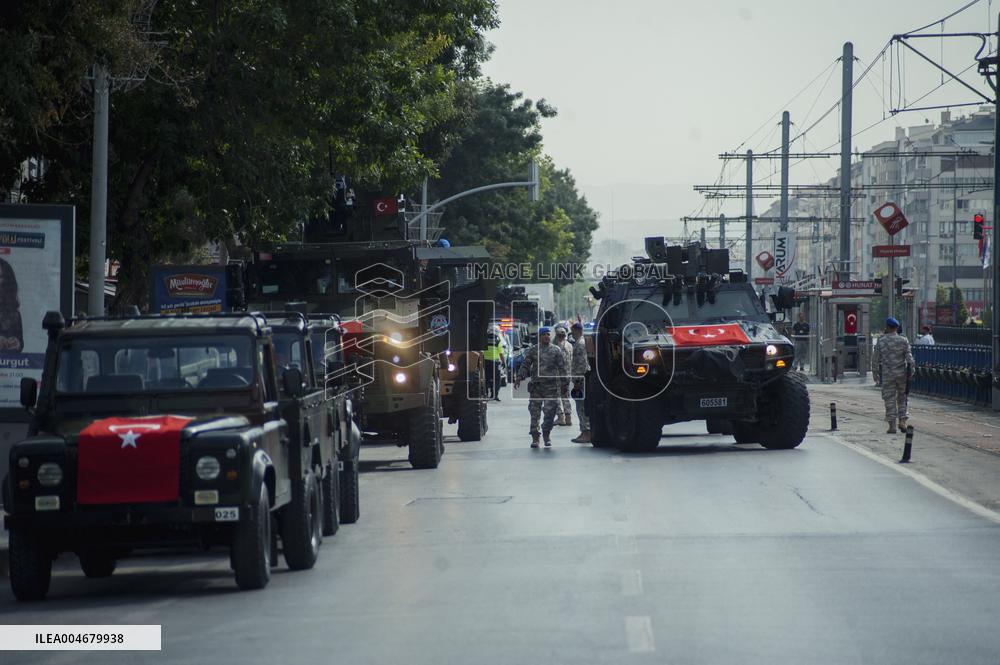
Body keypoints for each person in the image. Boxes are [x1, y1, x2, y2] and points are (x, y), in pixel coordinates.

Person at [514, 326, 566, 448]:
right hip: (536, 387)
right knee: (534, 413)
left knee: (550, 413)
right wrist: (519, 377)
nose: (547, 336)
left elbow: (562, 368)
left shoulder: (556, 350)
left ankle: (546, 434)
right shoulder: (533, 350)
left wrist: (565, 384)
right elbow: (525, 365)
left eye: (548, 334)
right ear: (539, 336)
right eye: (544, 334)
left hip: (551, 387)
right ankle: (535, 437)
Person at [872, 317, 914, 434]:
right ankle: (902, 421)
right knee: (902, 398)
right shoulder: (903, 340)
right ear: (897, 328)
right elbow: (910, 359)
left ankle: (892, 426)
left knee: (889, 399)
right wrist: (911, 373)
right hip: (902, 374)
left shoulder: (881, 341)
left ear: (887, 327)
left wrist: (875, 374)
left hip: (888, 374)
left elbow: (875, 359)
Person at [569, 321, 592, 443]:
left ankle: (586, 432)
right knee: (581, 406)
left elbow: (582, 364)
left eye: (572, 332)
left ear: (577, 331)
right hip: (582, 379)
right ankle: (585, 431)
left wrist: (577, 381)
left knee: (582, 406)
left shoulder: (580, 344)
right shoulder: (581, 342)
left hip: (581, 380)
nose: (571, 334)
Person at [553, 324, 574, 426]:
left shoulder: (555, 346)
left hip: (558, 375)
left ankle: (561, 417)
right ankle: (568, 417)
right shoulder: (569, 345)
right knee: (565, 396)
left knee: (556, 396)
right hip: (567, 375)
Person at [483, 328, 503, 400]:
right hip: (495, 362)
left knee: (486, 379)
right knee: (497, 379)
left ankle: (485, 394)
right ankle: (495, 395)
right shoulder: (498, 340)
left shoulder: (484, 339)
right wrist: (504, 363)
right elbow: (501, 353)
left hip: (485, 362)